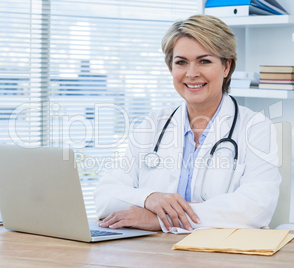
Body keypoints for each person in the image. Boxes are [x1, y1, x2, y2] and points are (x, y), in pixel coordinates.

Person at [94, 14, 281, 232]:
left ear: (226, 67)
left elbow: (255, 208)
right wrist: (150, 198)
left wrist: (162, 220)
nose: (191, 73)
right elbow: (105, 196)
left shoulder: (256, 127)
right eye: (181, 62)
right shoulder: (153, 124)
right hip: (154, 255)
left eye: (204, 61)